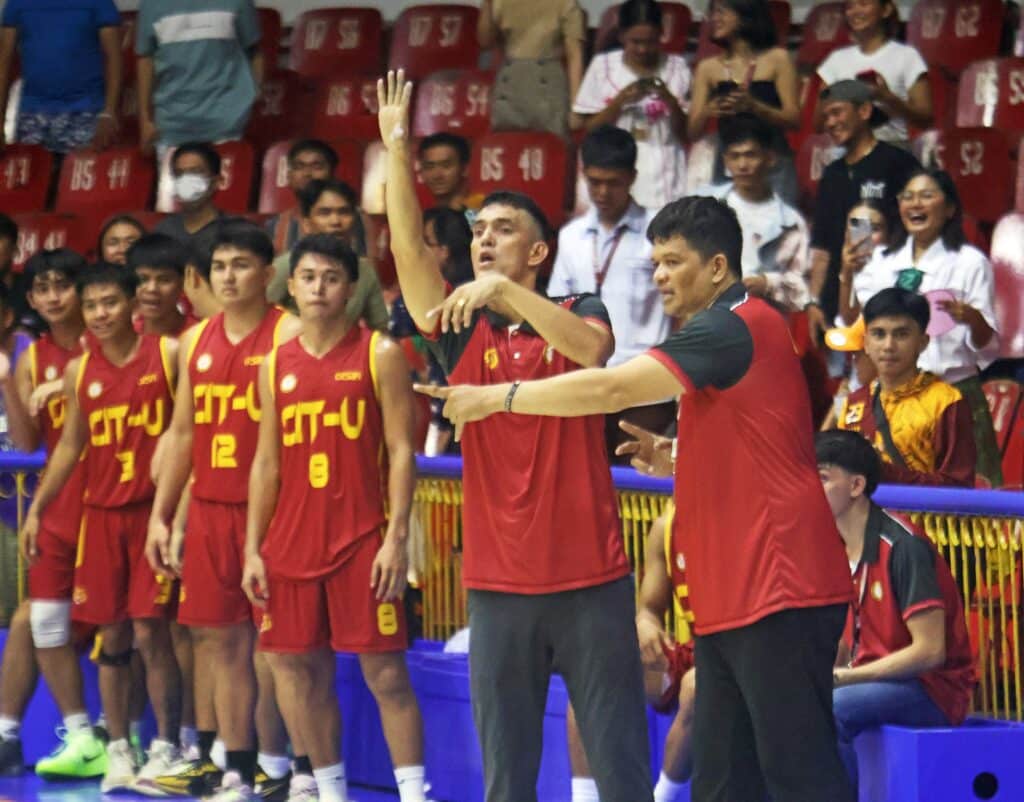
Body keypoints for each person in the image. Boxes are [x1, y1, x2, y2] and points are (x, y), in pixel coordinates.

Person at [421, 193, 856, 802]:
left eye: (673, 261)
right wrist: (680, 459)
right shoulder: (720, 336)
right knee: (724, 779)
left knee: (798, 771)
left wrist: (496, 398)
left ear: (717, 269)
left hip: (780, 585)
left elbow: (611, 386)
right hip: (736, 593)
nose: (658, 276)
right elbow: (758, 443)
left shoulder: (731, 324)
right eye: (653, 262)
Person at [379, 71, 653, 802]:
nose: (484, 242)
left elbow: (594, 354)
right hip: (498, 587)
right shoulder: (460, 333)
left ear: (538, 255)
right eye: (477, 234)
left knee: (623, 767)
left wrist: (505, 292)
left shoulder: (576, 307)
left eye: (503, 231)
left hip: (592, 580)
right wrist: (395, 151)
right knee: (508, 776)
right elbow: (409, 257)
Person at [243, 233, 429, 802]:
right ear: (291, 286)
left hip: (362, 538)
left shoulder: (380, 353)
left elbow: (402, 451)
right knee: (299, 673)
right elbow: (267, 462)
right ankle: (330, 792)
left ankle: (414, 794)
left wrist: (396, 538)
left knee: (387, 675)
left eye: (331, 277)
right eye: (308, 276)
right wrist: (253, 547)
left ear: (350, 288)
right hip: (291, 543)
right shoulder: (274, 362)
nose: (319, 287)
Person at [145, 220, 299, 801]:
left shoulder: (290, 334)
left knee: (280, 647)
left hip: (276, 510)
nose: (228, 277)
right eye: (219, 267)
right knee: (219, 642)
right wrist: (164, 516)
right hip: (210, 508)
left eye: (240, 265)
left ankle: (291, 767)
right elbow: (182, 433)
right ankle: (236, 768)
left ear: (267, 273)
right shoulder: (195, 342)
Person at [20, 265, 183, 793]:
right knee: (112, 634)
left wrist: (177, 514)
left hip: (151, 515)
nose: (101, 314)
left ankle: (165, 748)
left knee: (152, 632)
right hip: (102, 517)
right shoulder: (80, 371)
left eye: (110, 302)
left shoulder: (167, 354)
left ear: (133, 302)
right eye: (92, 306)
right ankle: (116, 751)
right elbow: (70, 445)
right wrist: (39, 507)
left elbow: (189, 432)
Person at [816, 429, 975, 795]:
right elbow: (843, 638)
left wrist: (845, 678)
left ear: (856, 486)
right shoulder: (832, 546)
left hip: (932, 690)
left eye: (822, 477)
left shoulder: (903, 547)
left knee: (830, 707)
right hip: (872, 678)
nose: (808, 487)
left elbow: (930, 652)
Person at [0, 250, 107, 781]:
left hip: (114, 493)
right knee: (33, 619)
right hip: (62, 498)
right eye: (40, 289)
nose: (51, 297)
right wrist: (5, 384)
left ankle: (125, 736)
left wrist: (68, 385)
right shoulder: (31, 356)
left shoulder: (109, 335)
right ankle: (14, 737)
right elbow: (25, 441)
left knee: (123, 621)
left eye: (62, 285)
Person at [851, 169, 1001, 486]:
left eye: (927, 195)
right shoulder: (881, 260)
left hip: (954, 396)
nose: (915, 203)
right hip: (892, 394)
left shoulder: (970, 262)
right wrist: (844, 275)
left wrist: (971, 316)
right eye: (907, 196)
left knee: (967, 504)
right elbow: (856, 323)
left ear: (949, 209)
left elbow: (987, 346)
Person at [547, 125, 674, 454]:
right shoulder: (571, 236)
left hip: (647, 384)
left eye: (613, 183)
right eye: (594, 182)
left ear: (632, 177)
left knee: (638, 485)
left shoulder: (660, 231)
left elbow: (683, 308)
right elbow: (559, 308)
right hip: (587, 382)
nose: (602, 192)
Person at [567, 504, 697, 802]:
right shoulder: (667, 526)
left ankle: (663, 797)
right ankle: (585, 798)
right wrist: (646, 624)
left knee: (696, 686)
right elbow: (650, 609)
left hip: (737, 658)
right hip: (694, 652)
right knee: (592, 671)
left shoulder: (742, 520)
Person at [807, 79, 919, 342]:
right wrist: (813, 301)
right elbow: (821, 249)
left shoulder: (898, 163)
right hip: (837, 304)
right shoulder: (831, 175)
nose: (830, 123)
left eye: (837, 112)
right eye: (825, 116)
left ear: (864, 111)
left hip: (888, 299)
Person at [837, 287, 976, 486]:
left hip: (921, 517)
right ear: (866, 343)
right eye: (878, 334)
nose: (888, 345)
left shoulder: (946, 402)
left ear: (923, 342)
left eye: (901, 334)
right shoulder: (855, 402)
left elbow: (959, 486)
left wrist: (885, 472)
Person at [572, 0, 690, 210]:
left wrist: (669, 99)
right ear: (622, 36)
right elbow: (589, 128)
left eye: (650, 41)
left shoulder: (677, 68)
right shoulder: (603, 67)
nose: (643, 49)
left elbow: (686, 132)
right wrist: (620, 102)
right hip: (615, 168)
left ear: (661, 34)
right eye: (635, 41)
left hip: (663, 169)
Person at [693, 113, 811, 312]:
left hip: (763, 326)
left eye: (750, 155)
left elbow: (803, 291)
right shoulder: (703, 209)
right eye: (735, 156)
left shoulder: (791, 223)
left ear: (770, 158)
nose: (742, 165)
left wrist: (768, 284)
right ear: (725, 161)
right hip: (710, 322)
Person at [687, 0, 799, 205]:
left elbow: (793, 118)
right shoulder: (708, 67)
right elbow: (692, 131)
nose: (715, 19)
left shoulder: (777, 59)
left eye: (722, 12)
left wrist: (755, 107)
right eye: (713, 13)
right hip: (729, 162)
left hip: (772, 161)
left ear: (745, 13)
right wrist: (708, 110)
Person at [389, 207, 474, 456]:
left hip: (458, 424)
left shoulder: (460, 300)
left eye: (426, 244)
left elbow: (399, 319)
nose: (418, 252)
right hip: (435, 420)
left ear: (444, 252)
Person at [136, 0, 262, 152]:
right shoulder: (150, 4)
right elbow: (146, 59)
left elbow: (255, 52)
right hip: (171, 126)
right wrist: (145, 119)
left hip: (228, 123)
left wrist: (255, 94)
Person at [0, 0, 122, 152]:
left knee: (83, 175)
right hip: (32, 115)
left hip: (86, 113)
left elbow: (114, 60)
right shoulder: (17, 3)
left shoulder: (99, 3)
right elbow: (4, 65)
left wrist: (109, 112)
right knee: (31, 176)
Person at [269, 179, 388, 331]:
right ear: (306, 223)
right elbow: (257, 319)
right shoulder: (286, 266)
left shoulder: (364, 270)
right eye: (324, 213)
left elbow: (381, 329)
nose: (336, 221)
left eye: (344, 212)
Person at [817, 0, 932, 149]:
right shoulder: (835, 60)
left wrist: (887, 97)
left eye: (864, 4)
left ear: (885, 10)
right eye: (850, 7)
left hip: (892, 148)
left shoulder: (907, 56)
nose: (855, 11)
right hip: (846, 150)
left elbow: (925, 119)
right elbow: (818, 123)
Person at [480, 0, 585, 138]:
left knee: (552, 146)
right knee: (507, 146)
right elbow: (484, 41)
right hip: (510, 83)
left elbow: (574, 55)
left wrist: (576, 106)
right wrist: (487, 5)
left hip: (548, 84)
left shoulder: (566, 3)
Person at [266, 139, 374, 257]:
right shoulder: (276, 224)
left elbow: (366, 268)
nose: (307, 174)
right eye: (299, 167)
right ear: (289, 176)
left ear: (332, 172)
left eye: (316, 167)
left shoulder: (357, 218)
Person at [154, 143, 227, 258]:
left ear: (217, 181)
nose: (186, 180)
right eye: (179, 174)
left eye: (195, 172)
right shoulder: (163, 231)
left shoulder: (234, 231)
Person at [126, 233, 198, 337]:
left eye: (164, 280)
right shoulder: (126, 335)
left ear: (183, 283)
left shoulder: (199, 336)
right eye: (142, 279)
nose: (152, 289)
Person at [417, 133, 485, 218]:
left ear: (464, 168)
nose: (437, 175)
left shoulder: (481, 211)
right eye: (429, 167)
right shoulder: (424, 217)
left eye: (446, 166)